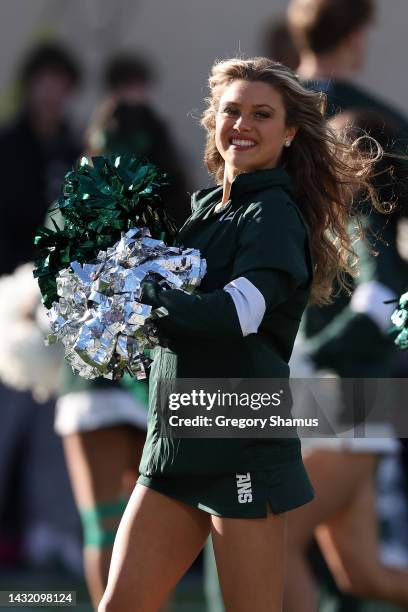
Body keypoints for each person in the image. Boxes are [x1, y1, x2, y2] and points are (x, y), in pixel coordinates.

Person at [95, 56, 384, 612]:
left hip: (239, 444)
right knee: (120, 605)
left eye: (261, 114)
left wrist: (148, 298)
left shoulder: (273, 214)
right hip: (176, 441)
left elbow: (235, 315)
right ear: (214, 120)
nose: (242, 125)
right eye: (231, 111)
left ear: (291, 130)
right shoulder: (208, 208)